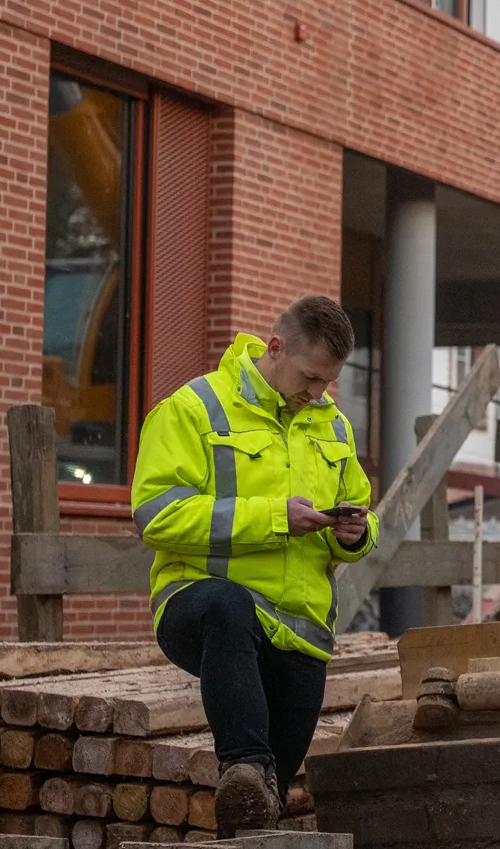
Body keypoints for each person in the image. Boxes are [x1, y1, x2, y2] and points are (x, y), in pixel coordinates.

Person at [130, 296, 378, 836]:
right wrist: (273, 518)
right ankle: (242, 760)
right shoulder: (193, 408)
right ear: (275, 347)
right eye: (311, 377)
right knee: (230, 608)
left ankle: (250, 789)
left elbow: (360, 509)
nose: (318, 393)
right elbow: (155, 515)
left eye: (328, 382)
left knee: (258, 807)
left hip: (301, 632)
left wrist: (356, 534)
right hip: (200, 602)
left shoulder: (331, 425)